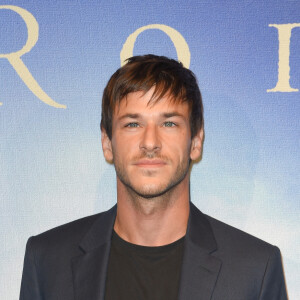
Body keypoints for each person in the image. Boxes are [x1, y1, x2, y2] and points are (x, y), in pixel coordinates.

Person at [20, 55, 288, 300]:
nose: (150, 142)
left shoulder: (256, 269)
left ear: (196, 141)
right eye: (132, 124)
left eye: (169, 123)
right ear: (107, 142)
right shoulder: (45, 259)